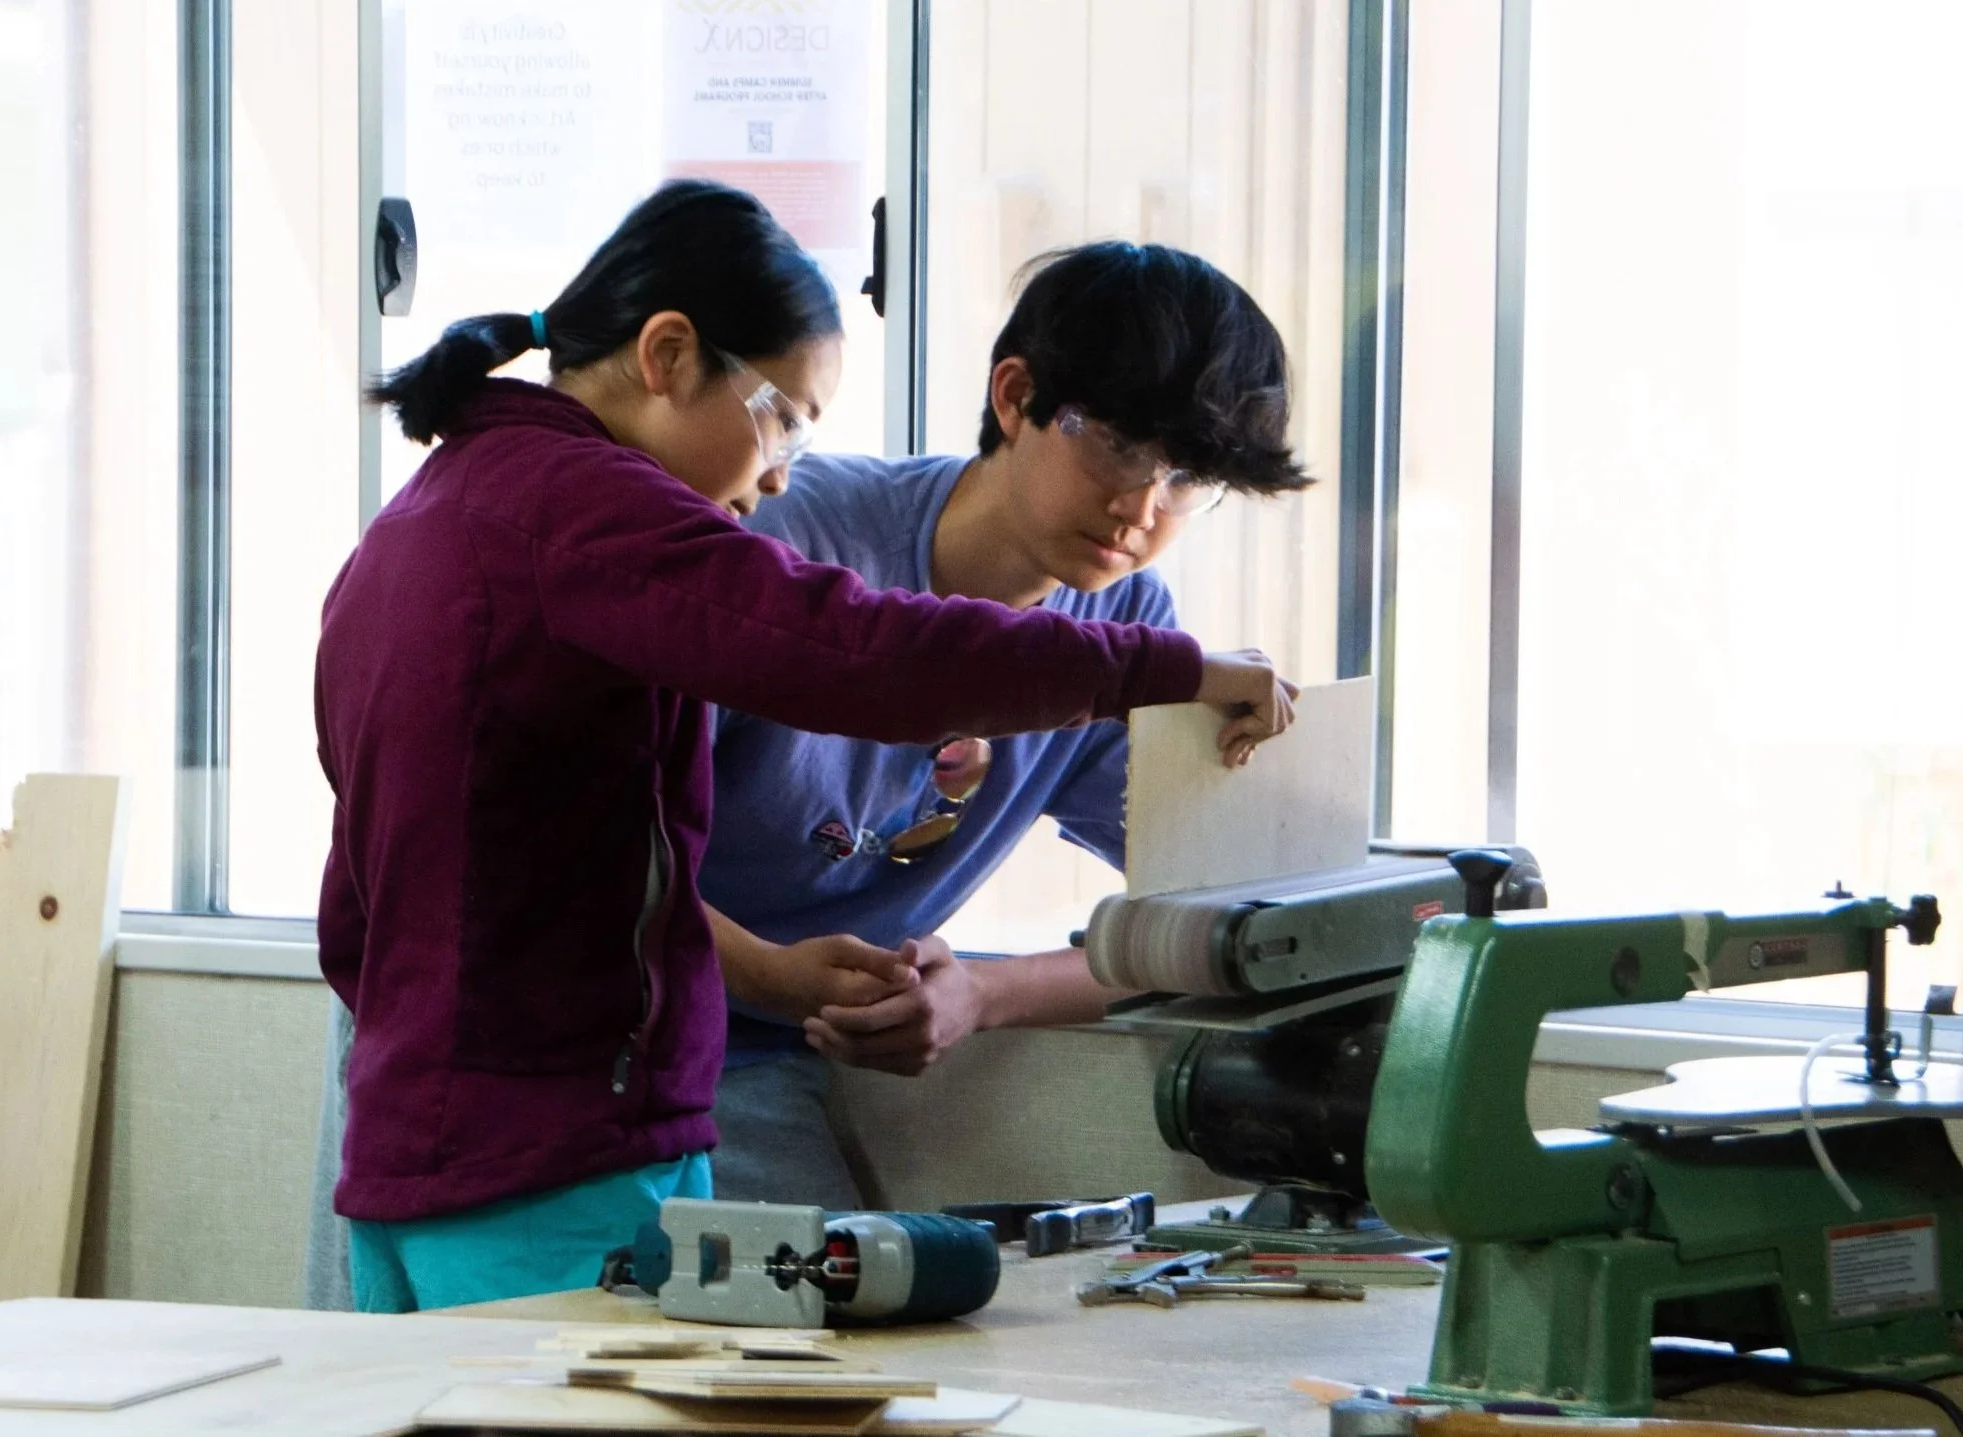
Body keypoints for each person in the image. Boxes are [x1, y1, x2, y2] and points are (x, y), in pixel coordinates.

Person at [312, 180, 1296, 1313]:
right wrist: (1160, 677)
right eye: (779, 416)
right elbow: (862, 659)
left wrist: (980, 988)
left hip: (491, 1098)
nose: (779, 471)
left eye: (1188, 482)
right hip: (551, 1114)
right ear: (667, 355)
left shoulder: (464, 498)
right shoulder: (615, 519)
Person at [703, 241, 1312, 1208]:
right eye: (1116, 445)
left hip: (776, 1055)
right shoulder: (785, 541)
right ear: (1015, 396)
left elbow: (1212, 928)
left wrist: (983, 995)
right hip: (605, 1021)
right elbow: (588, 864)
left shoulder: (1127, 625)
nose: (1140, 508)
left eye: (1186, 480)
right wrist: (777, 978)